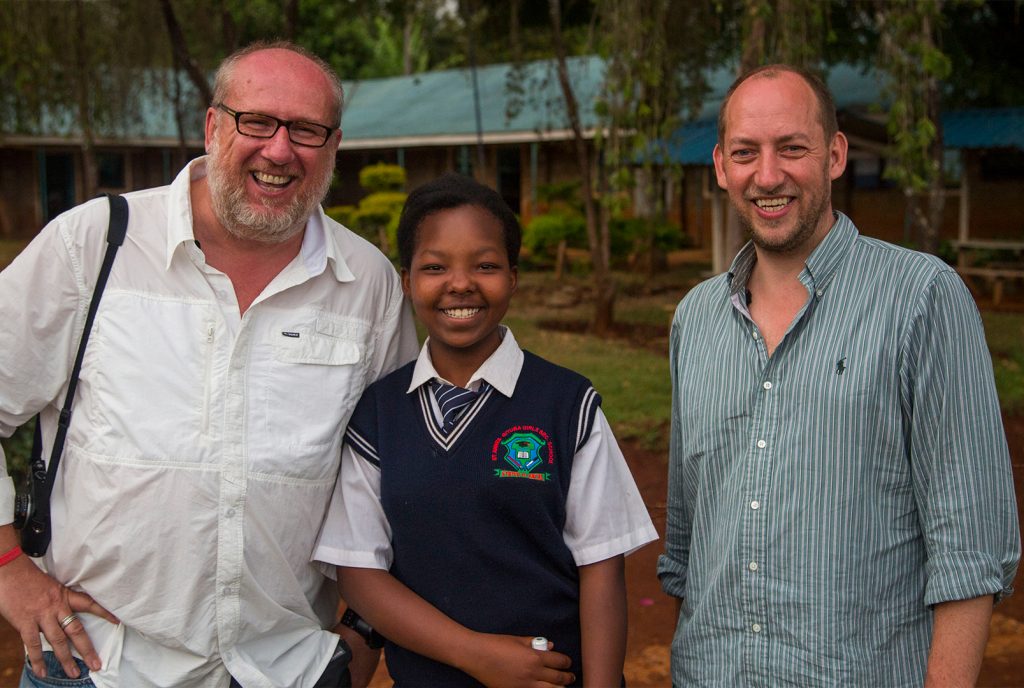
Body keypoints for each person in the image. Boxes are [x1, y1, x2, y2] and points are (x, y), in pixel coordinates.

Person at [0, 41, 418, 687]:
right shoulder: (96, 244)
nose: (280, 150)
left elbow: (399, 471)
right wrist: (8, 570)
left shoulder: (364, 282)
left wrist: (364, 633)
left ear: (333, 145)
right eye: (257, 121)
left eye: (307, 130)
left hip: (288, 668)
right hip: (99, 665)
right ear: (213, 125)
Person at [657, 64, 1020, 686]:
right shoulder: (696, 320)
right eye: (747, 152)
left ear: (834, 154)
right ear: (721, 166)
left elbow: (970, 551)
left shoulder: (922, 299)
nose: (767, 176)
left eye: (792, 148)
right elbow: (689, 548)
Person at [312, 173, 658, 686]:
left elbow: (601, 566)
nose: (461, 284)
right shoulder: (377, 415)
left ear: (513, 278)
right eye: (435, 267)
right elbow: (360, 574)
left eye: (486, 265)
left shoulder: (568, 404)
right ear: (406, 281)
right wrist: (478, 655)